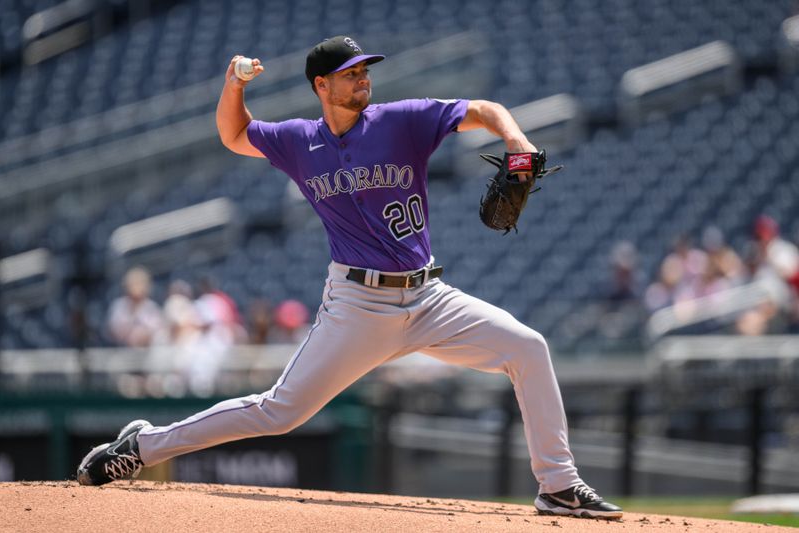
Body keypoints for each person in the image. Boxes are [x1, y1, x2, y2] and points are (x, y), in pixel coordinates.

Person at [77, 36, 622, 519]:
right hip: (358, 305)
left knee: (527, 347)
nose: (363, 79)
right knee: (278, 412)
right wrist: (232, 85)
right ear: (321, 84)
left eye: (366, 71)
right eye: (351, 73)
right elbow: (233, 134)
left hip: (429, 296)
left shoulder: (401, 120)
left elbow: (483, 107)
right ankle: (142, 447)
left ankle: (558, 486)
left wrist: (516, 141)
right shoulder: (298, 140)